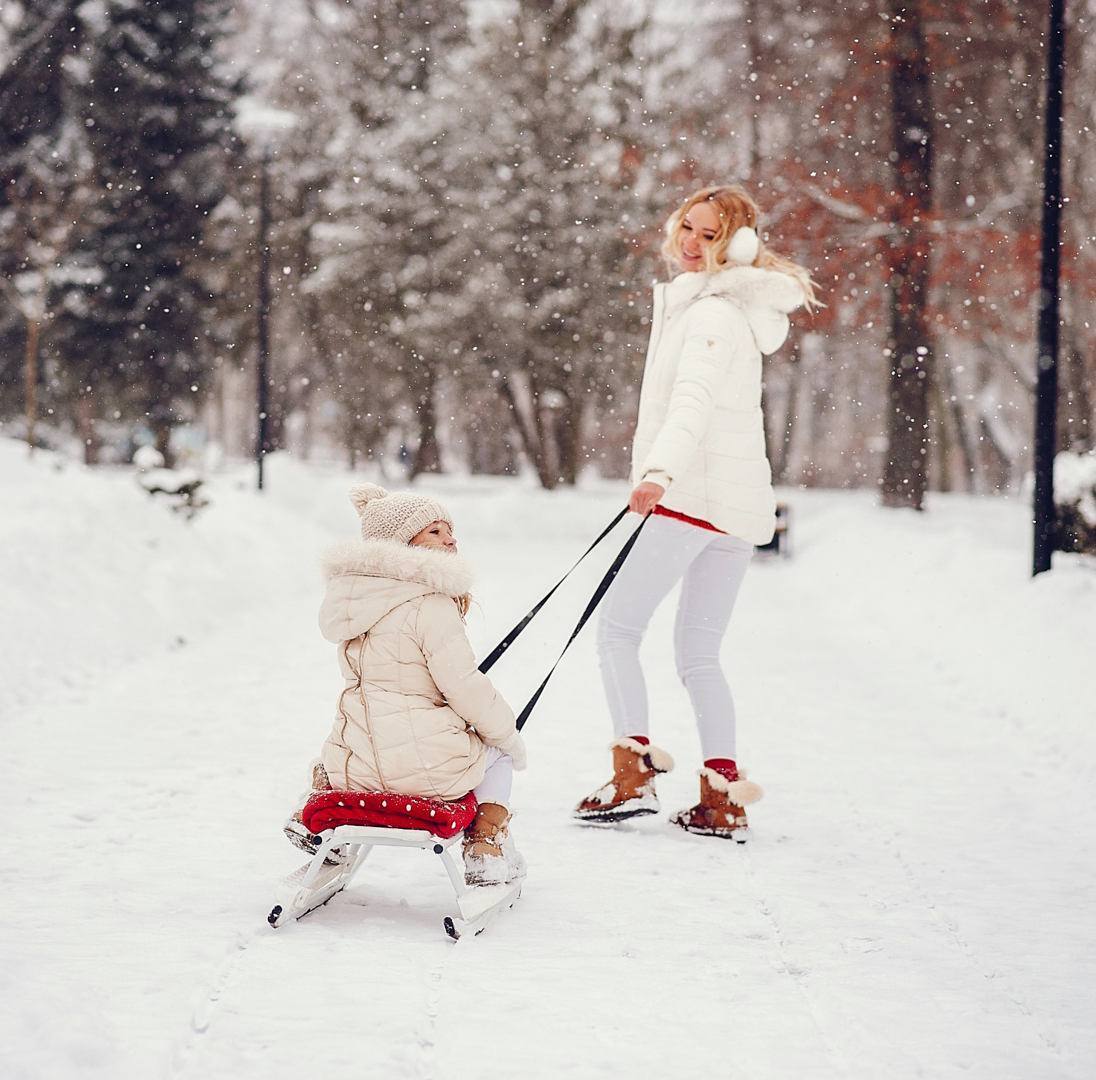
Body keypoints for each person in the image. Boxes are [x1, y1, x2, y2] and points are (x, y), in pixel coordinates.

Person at [574, 185, 818, 839]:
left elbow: (692, 403)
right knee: (698, 656)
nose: (690, 242)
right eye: (687, 226)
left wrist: (658, 473)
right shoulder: (728, 311)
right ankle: (720, 797)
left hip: (691, 500)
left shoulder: (710, 315)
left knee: (617, 632)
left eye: (709, 235)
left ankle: (632, 777)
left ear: (734, 245)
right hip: (733, 512)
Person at [284, 483, 528, 885]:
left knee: (341, 742)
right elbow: (465, 687)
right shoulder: (430, 603)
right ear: (401, 543)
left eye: (449, 530)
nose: (450, 539)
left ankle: (316, 818)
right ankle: (485, 847)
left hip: (355, 773)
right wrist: (509, 735)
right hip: (431, 774)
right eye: (433, 531)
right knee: (499, 750)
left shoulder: (353, 603)